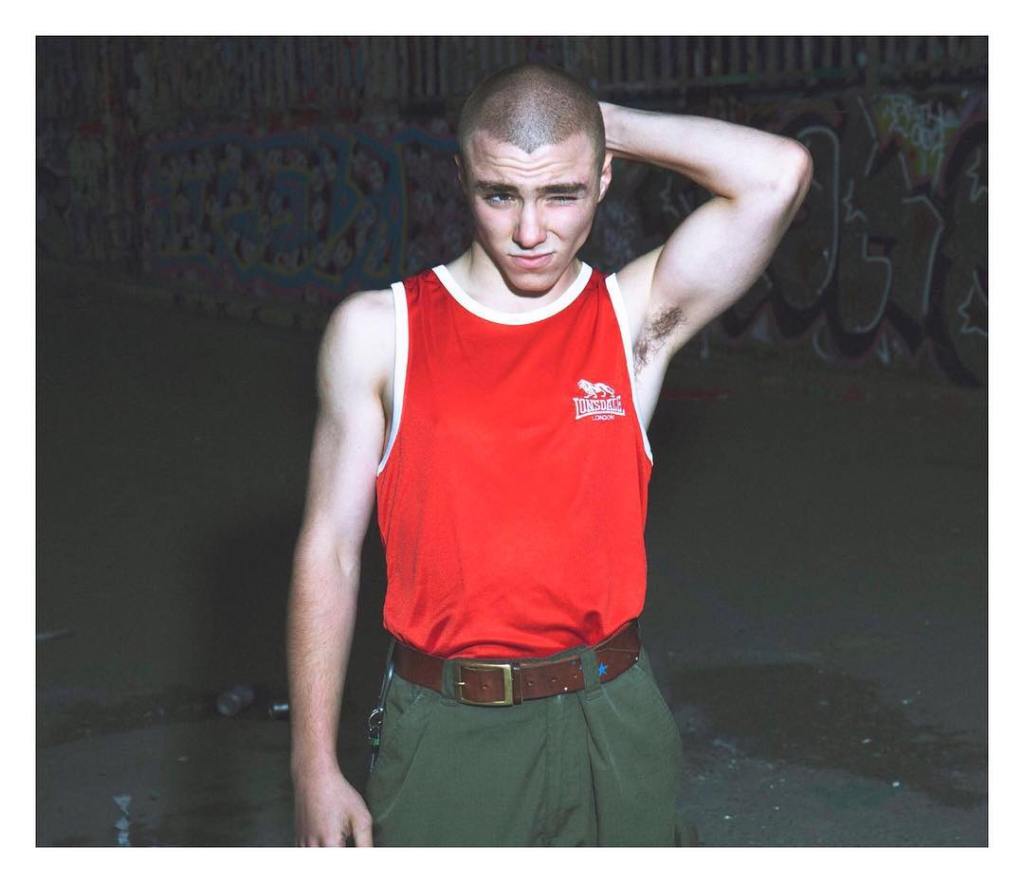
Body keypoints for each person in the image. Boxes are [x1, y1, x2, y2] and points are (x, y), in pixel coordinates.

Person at [287, 61, 812, 847]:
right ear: (462, 181)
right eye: (500, 194)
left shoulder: (631, 321)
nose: (531, 232)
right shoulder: (380, 332)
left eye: (561, 193)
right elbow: (328, 549)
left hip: (616, 715)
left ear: (604, 179)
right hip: (450, 730)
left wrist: (600, 122)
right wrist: (312, 766)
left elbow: (779, 175)